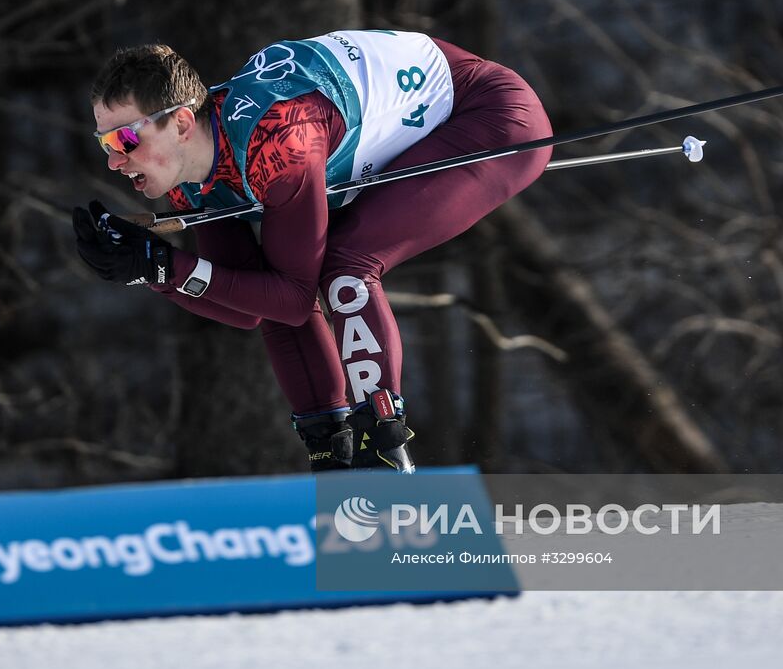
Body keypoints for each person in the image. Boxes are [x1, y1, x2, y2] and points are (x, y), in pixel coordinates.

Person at [74, 30, 551, 472]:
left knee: (345, 262)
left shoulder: (277, 139)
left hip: (487, 112)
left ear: (181, 122)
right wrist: (152, 273)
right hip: (408, 117)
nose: (115, 161)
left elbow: (296, 296)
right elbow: (251, 306)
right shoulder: (191, 175)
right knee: (277, 280)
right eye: (104, 144)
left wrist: (167, 266)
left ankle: (383, 443)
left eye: (125, 138)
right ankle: (331, 445)